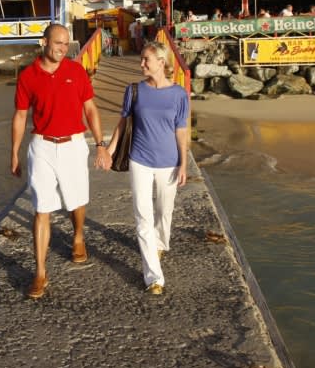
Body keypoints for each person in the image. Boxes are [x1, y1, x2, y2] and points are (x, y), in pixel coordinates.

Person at [11, 23, 111, 299]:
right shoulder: (28, 76)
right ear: (44, 42)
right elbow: (20, 116)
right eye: (58, 43)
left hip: (73, 145)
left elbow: (90, 108)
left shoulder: (76, 71)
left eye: (66, 44)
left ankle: (78, 235)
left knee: (76, 200)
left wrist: (101, 146)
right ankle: (40, 272)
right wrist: (14, 153)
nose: (63, 49)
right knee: (41, 209)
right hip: (42, 146)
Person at [99, 41, 188, 296]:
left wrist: (183, 162)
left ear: (161, 62)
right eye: (141, 59)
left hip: (169, 162)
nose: (141, 64)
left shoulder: (179, 94)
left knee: (165, 211)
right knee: (142, 216)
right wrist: (110, 150)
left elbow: (181, 130)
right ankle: (154, 277)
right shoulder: (134, 90)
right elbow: (123, 122)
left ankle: (160, 243)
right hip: (139, 159)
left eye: (145, 60)